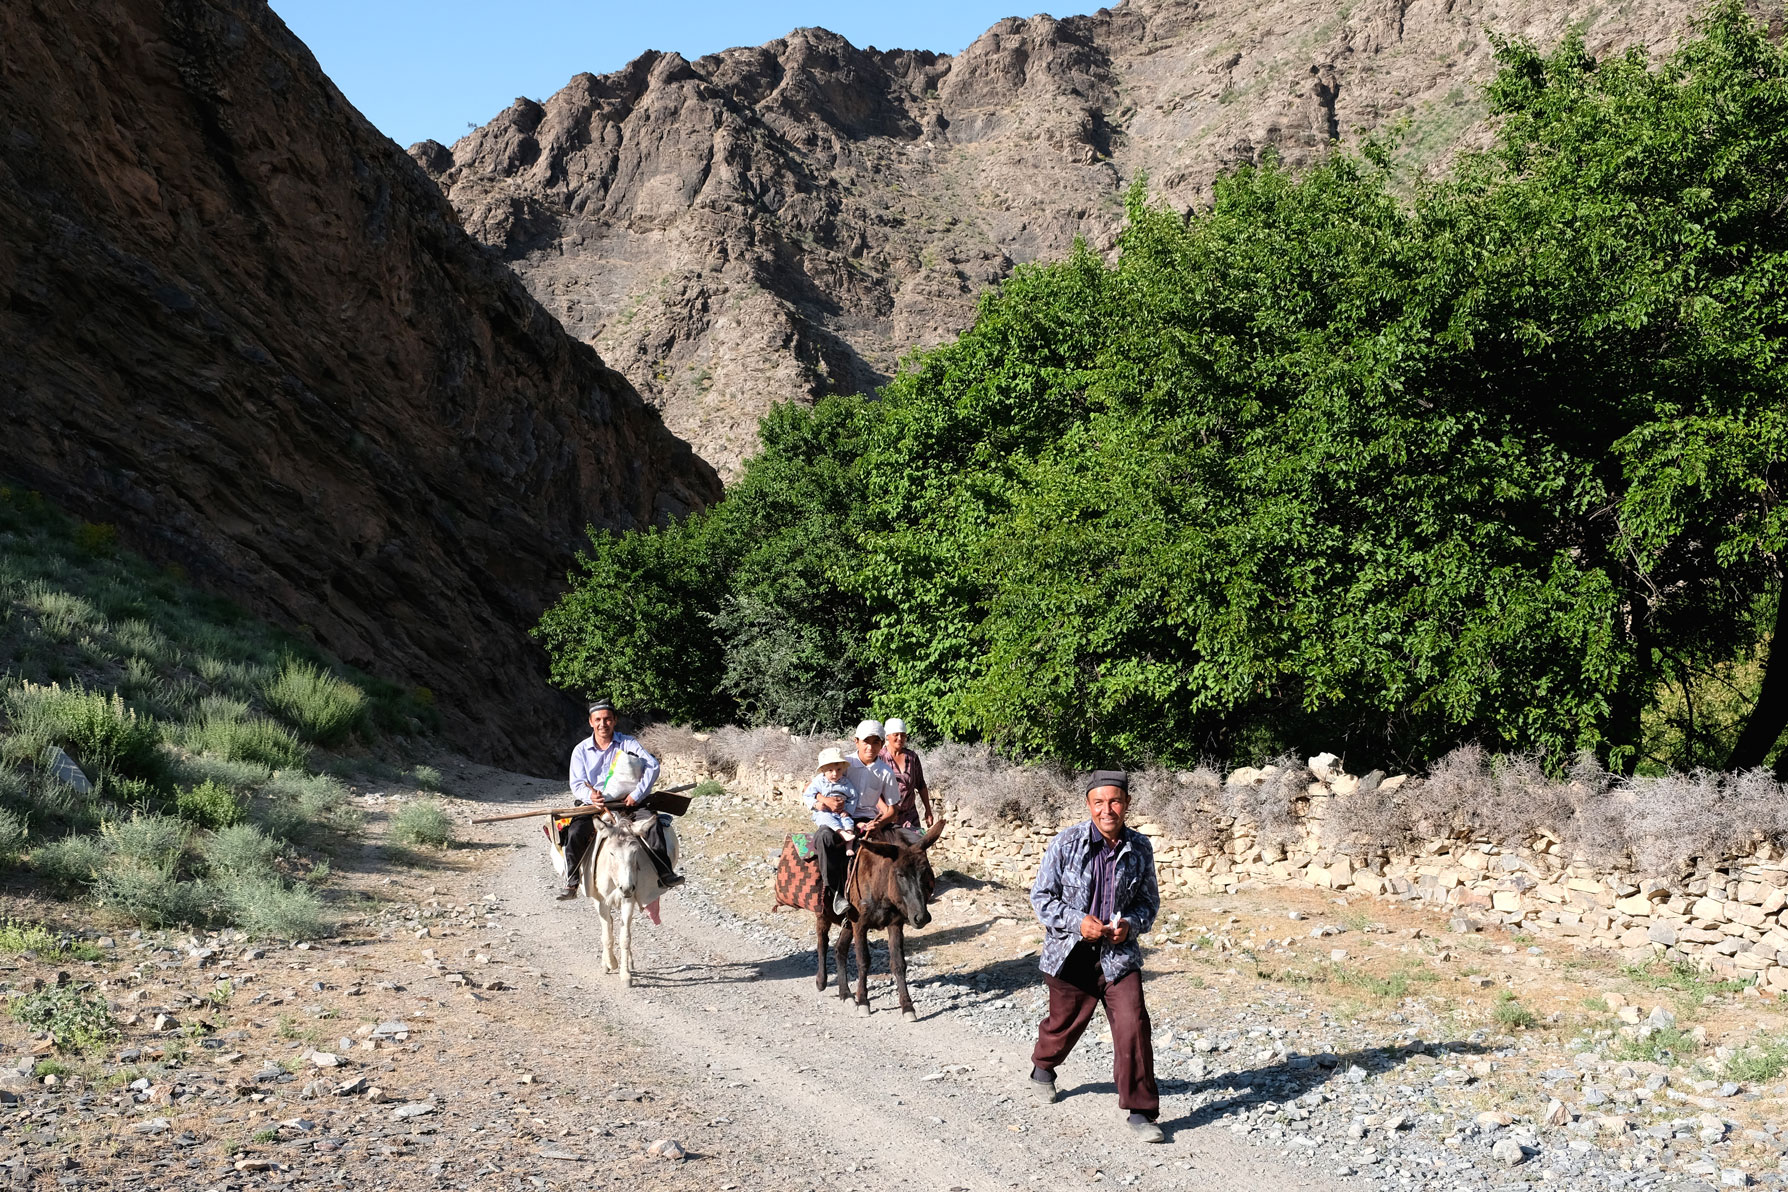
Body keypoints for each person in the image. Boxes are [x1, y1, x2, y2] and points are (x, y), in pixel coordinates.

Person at [1026, 770, 1163, 1142]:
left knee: (1133, 1024)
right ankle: (1043, 1066)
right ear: (1088, 805)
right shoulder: (1066, 843)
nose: (1108, 810)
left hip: (1118, 957)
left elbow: (1148, 903)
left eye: (1115, 801)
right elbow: (1041, 898)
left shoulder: (1139, 848)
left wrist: (1130, 925)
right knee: (1063, 1023)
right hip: (1070, 954)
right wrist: (1076, 922)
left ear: (1127, 804)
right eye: (1099, 802)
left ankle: (1140, 1111)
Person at [560, 700, 682, 900]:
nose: (603, 724)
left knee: (652, 826)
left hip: (630, 803)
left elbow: (652, 765)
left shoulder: (628, 744)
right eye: (598, 719)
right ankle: (571, 882)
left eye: (607, 719)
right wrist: (590, 796)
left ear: (615, 720)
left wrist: (638, 794)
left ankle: (665, 873)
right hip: (595, 806)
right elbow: (577, 783)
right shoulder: (581, 751)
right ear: (591, 722)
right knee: (574, 832)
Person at [813, 719, 900, 916]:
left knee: (899, 850)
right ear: (856, 741)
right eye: (866, 742)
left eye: (876, 742)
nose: (870, 747)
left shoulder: (886, 772)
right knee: (824, 837)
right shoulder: (843, 764)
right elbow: (811, 788)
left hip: (868, 821)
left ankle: (890, 900)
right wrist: (825, 801)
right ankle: (834, 894)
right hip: (837, 818)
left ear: (882, 743)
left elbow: (893, 810)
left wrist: (878, 823)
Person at [802, 746, 861, 853]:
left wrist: (847, 810)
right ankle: (842, 833)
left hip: (840, 812)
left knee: (848, 822)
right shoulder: (819, 781)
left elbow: (853, 797)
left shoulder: (845, 782)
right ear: (823, 770)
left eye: (838, 770)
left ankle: (849, 846)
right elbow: (807, 795)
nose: (835, 774)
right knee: (825, 818)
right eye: (830, 770)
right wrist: (816, 804)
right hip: (824, 811)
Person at [880, 717, 934, 829]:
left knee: (917, 844)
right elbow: (873, 791)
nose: (900, 738)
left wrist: (928, 811)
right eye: (896, 734)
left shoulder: (912, 757)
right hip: (884, 815)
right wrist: (888, 812)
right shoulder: (879, 758)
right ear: (887, 736)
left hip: (910, 815)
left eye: (903, 735)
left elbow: (921, 784)